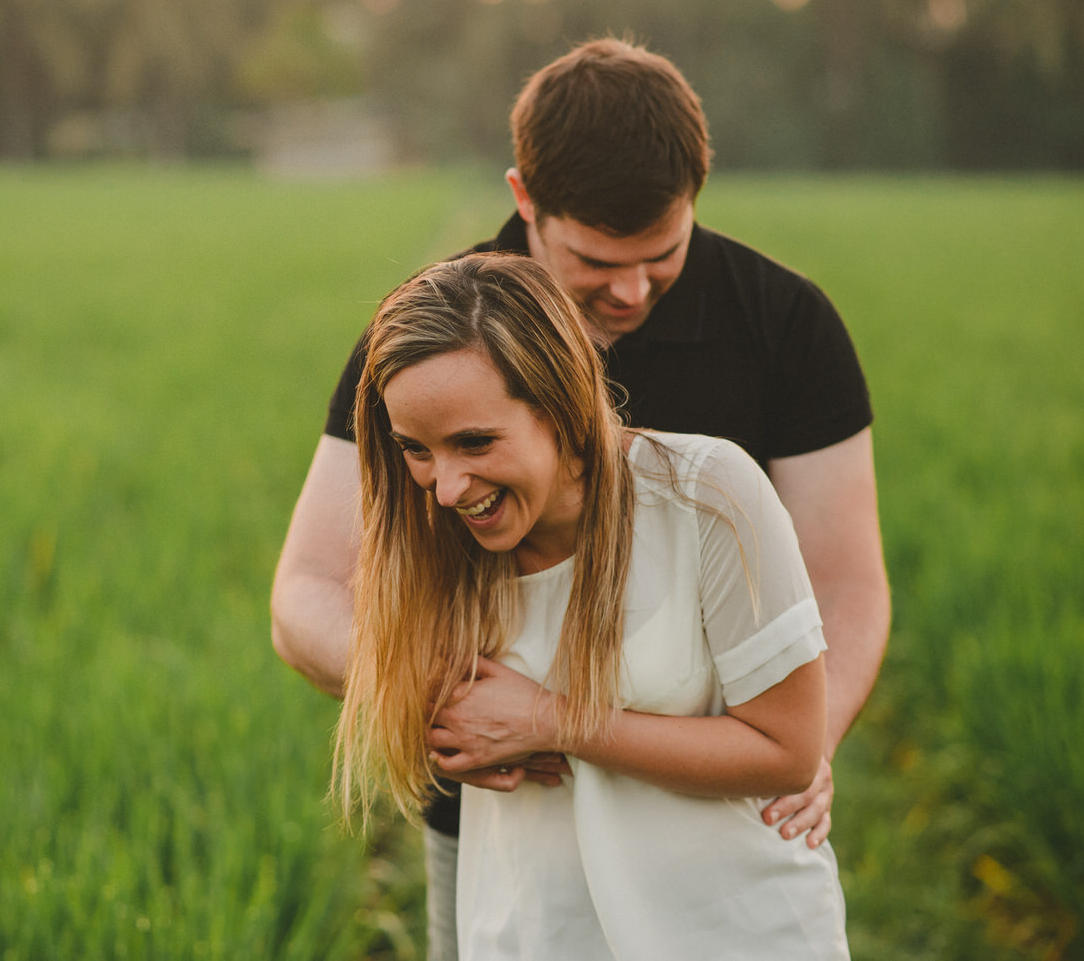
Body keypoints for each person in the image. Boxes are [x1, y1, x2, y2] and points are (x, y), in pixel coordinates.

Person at [272, 38, 889, 957]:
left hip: (708, 849)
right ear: (526, 201)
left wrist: (802, 746)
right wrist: (459, 697)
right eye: (597, 261)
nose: (634, 290)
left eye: (664, 253)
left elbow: (846, 584)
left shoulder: (783, 327)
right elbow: (308, 594)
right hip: (504, 838)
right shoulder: (431, 348)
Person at [334, 253, 850, 959]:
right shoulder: (427, 543)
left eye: (474, 442)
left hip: (731, 935)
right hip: (532, 936)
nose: (446, 485)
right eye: (415, 450)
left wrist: (551, 719)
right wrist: (438, 722)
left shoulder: (706, 498)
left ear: (561, 405)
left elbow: (788, 752)